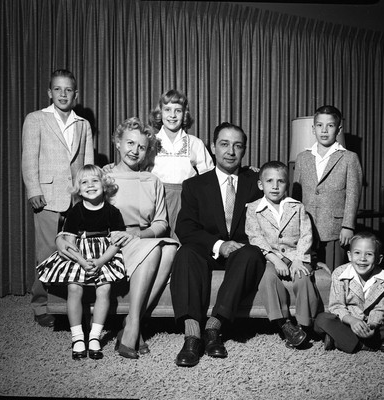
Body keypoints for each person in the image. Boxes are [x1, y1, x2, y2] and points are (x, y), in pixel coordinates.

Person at [56, 117, 178, 359]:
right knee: (156, 250)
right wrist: (63, 237)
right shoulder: (102, 176)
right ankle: (133, 328)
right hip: (110, 245)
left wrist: (138, 234)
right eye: (130, 143)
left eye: (142, 147)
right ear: (118, 143)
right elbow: (79, 212)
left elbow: (161, 223)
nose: (135, 151)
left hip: (140, 239)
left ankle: (132, 323)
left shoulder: (153, 181)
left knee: (170, 248)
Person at [170, 122, 266, 367]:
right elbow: (185, 228)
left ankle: (213, 328)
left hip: (242, 252)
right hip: (208, 249)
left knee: (252, 253)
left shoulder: (257, 182)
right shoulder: (194, 185)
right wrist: (219, 244)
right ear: (213, 147)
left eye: (237, 145)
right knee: (185, 253)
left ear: (244, 150)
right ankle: (192, 335)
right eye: (224, 144)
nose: (230, 151)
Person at [21, 69, 94, 327]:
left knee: (75, 250)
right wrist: (34, 190)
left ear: (76, 93)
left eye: (68, 90)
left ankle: (68, 304)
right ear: (49, 92)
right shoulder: (36, 119)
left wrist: (88, 194)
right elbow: (29, 158)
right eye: (58, 89)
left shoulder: (83, 124)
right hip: (48, 197)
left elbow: (87, 163)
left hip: (75, 199)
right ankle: (41, 305)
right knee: (47, 252)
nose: (63, 94)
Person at [37, 165, 125, 360]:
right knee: (74, 288)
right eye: (84, 182)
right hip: (79, 255)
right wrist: (83, 262)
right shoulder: (76, 211)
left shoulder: (113, 211)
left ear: (104, 184)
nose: (90, 185)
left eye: (95, 180)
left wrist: (101, 262)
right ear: (78, 188)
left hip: (103, 256)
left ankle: (94, 336)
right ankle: (77, 337)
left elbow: (116, 243)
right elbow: (69, 243)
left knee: (105, 288)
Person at [246, 161, 323, 349]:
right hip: (270, 257)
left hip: (295, 255)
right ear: (260, 185)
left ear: (287, 185)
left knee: (303, 278)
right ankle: (284, 324)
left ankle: (304, 325)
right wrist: (274, 259)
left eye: (280, 181)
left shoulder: (296, 207)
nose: (275, 186)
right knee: (267, 279)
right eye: (269, 181)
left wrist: (298, 260)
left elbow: (306, 235)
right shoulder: (253, 208)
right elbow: (255, 237)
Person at [313, 231, 384, 354]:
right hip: (345, 321)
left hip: (367, 324)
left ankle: (341, 340)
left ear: (378, 259)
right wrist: (352, 321)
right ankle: (374, 345)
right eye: (357, 253)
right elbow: (337, 306)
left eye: (369, 254)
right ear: (349, 255)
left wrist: (372, 326)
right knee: (321, 320)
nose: (362, 258)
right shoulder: (339, 274)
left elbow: (380, 309)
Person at [292, 105, 362, 272]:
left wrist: (348, 226)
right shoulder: (302, 157)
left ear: (338, 130)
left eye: (330, 126)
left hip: (335, 228)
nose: (324, 130)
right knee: (308, 272)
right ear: (313, 129)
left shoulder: (349, 158)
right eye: (319, 125)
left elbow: (353, 194)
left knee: (333, 273)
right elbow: (296, 195)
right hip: (306, 226)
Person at [148, 89, 214, 240]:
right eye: (167, 110)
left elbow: (208, 176)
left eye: (178, 110)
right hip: (156, 200)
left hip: (186, 201)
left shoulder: (194, 143)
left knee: (183, 243)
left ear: (184, 114)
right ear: (160, 113)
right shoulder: (151, 141)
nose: (172, 115)